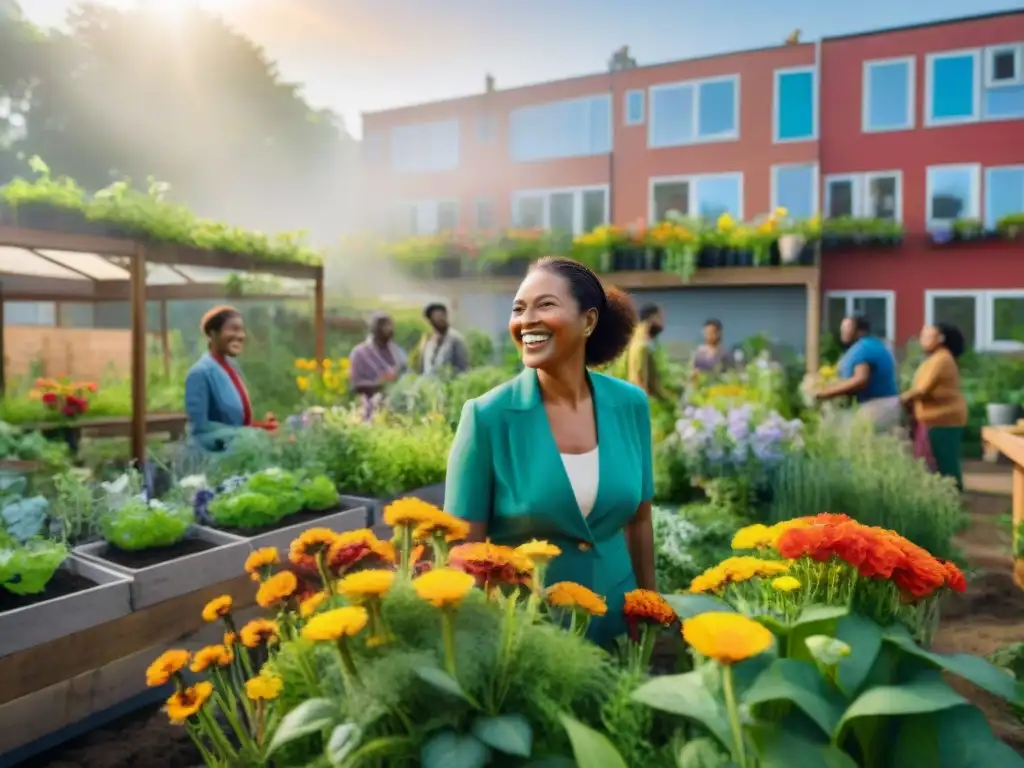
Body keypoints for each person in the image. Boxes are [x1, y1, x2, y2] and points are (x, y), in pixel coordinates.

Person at [445, 256, 656, 647]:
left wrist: (651, 613)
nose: (527, 321)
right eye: (518, 308)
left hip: (619, 626)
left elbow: (640, 522)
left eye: (545, 305)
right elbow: (463, 552)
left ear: (588, 321)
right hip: (526, 635)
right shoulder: (487, 417)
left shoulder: (630, 405)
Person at [185, 306, 276, 452]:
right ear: (213, 333)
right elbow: (200, 429)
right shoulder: (200, 373)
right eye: (233, 329)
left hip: (241, 454)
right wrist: (251, 435)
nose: (240, 335)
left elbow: (237, 422)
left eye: (241, 330)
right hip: (215, 462)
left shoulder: (231, 368)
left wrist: (263, 427)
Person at [900, 322, 967, 490]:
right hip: (934, 417)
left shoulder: (942, 359)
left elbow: (922, 390)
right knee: (936, 460)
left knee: (945, 461)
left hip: (943, 418)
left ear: (940, 339)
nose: (921, 339)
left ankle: (953, 498)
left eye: (927, 335)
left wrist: (899, 399)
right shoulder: (935, 358)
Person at [816, 315, 900, 429]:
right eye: (843, 326)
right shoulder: (873, 344)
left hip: (876, 406)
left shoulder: (863, 348)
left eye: (848, 327)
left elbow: (860, 380)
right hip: (887, 405)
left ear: (860, 331)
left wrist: (825, 392)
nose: (843, 330)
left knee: (860, 441)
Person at [349, 312, 407, 398]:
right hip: (368, 403)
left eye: (390, 325)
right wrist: (380, 384)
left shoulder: (399, 352)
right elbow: (355, 385)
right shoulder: (359, 353)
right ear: (373, 328)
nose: (388, 329)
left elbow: (406, 376)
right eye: (383, 325)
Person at [627, 303, 669, 399]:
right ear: (652, 318)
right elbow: (640, 377)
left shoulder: (644, 341)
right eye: (660, 319)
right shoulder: (642, 344)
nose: (662, 324)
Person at [420, 302, 470, 376]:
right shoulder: (429, 343)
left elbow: (463, 368)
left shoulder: (455, 339)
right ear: (430, 321)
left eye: (441, 316)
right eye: (435, 317)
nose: (439, 319)